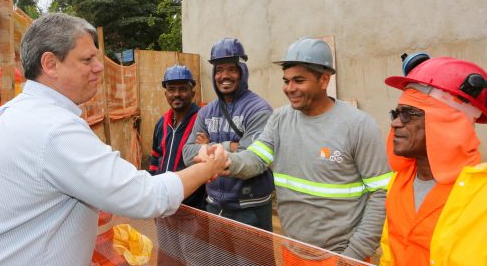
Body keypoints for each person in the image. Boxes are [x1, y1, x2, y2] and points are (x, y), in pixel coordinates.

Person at [0, 13, 228, 266]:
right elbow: (147, 196)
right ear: (50, 64)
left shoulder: (4, 118)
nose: (99, 68)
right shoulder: (54, 129)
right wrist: (209, 167)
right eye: (87, 59)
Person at [202, 37, 392, 263]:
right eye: (286, 81)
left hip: (342, 255)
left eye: (299, 80)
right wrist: (225, 161)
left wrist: (355, 254)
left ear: (324, 80)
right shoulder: (280, 119)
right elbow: (255, 159)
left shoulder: (359, 126)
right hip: (293, 250)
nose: (290, 89)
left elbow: (380, 194)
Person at [379, 54, 487, 266]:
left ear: (448, 124)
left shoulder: (481, 195)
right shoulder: (399, 182)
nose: (395, 124)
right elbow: (389, 251)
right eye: (396, 114)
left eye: (409, 114)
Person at [183, 37, 274, 231]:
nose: (225, 75)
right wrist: (231, 147)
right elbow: (188, 154)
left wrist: (208, 146)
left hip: (251, 210)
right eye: (219, 69)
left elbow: (252, 162)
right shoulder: (206, 111)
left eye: (232, 69)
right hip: (215, 205)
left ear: (242, 72)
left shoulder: (258, 110)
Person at [149, 64, 207, 265]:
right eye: (171, 89)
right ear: (165, 92)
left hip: (192, 211)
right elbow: (156, 159)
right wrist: (154, 195)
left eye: (183, 88)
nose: (177, 94)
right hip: (165, 207)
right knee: (168, 258)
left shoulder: (202, 120)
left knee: (194, 259)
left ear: (192, 90)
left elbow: (209, 163)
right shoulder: (162, 123)